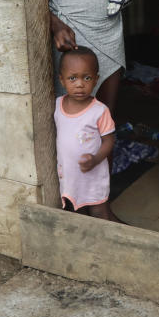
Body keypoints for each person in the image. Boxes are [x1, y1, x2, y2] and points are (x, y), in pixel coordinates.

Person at [53, 47, 117, 219]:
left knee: (98, 210)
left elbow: (109, 141)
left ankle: (105, 242)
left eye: (86, 77)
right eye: (72, 78)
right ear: (61, 80)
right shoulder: (57, 105)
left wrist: (95, 159)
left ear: (96, 80)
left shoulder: (99, 111)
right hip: (70, 173)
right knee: (76, 209)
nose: (79, 84)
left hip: (93, 172)